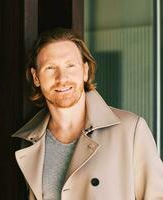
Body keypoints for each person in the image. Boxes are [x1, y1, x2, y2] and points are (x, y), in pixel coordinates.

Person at [12, 28, 163, 200]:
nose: (62, 78)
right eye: (50, 68)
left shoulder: (130, 130)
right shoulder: (29, 143)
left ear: (85, 70)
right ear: (36, 77)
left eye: (70, 66)